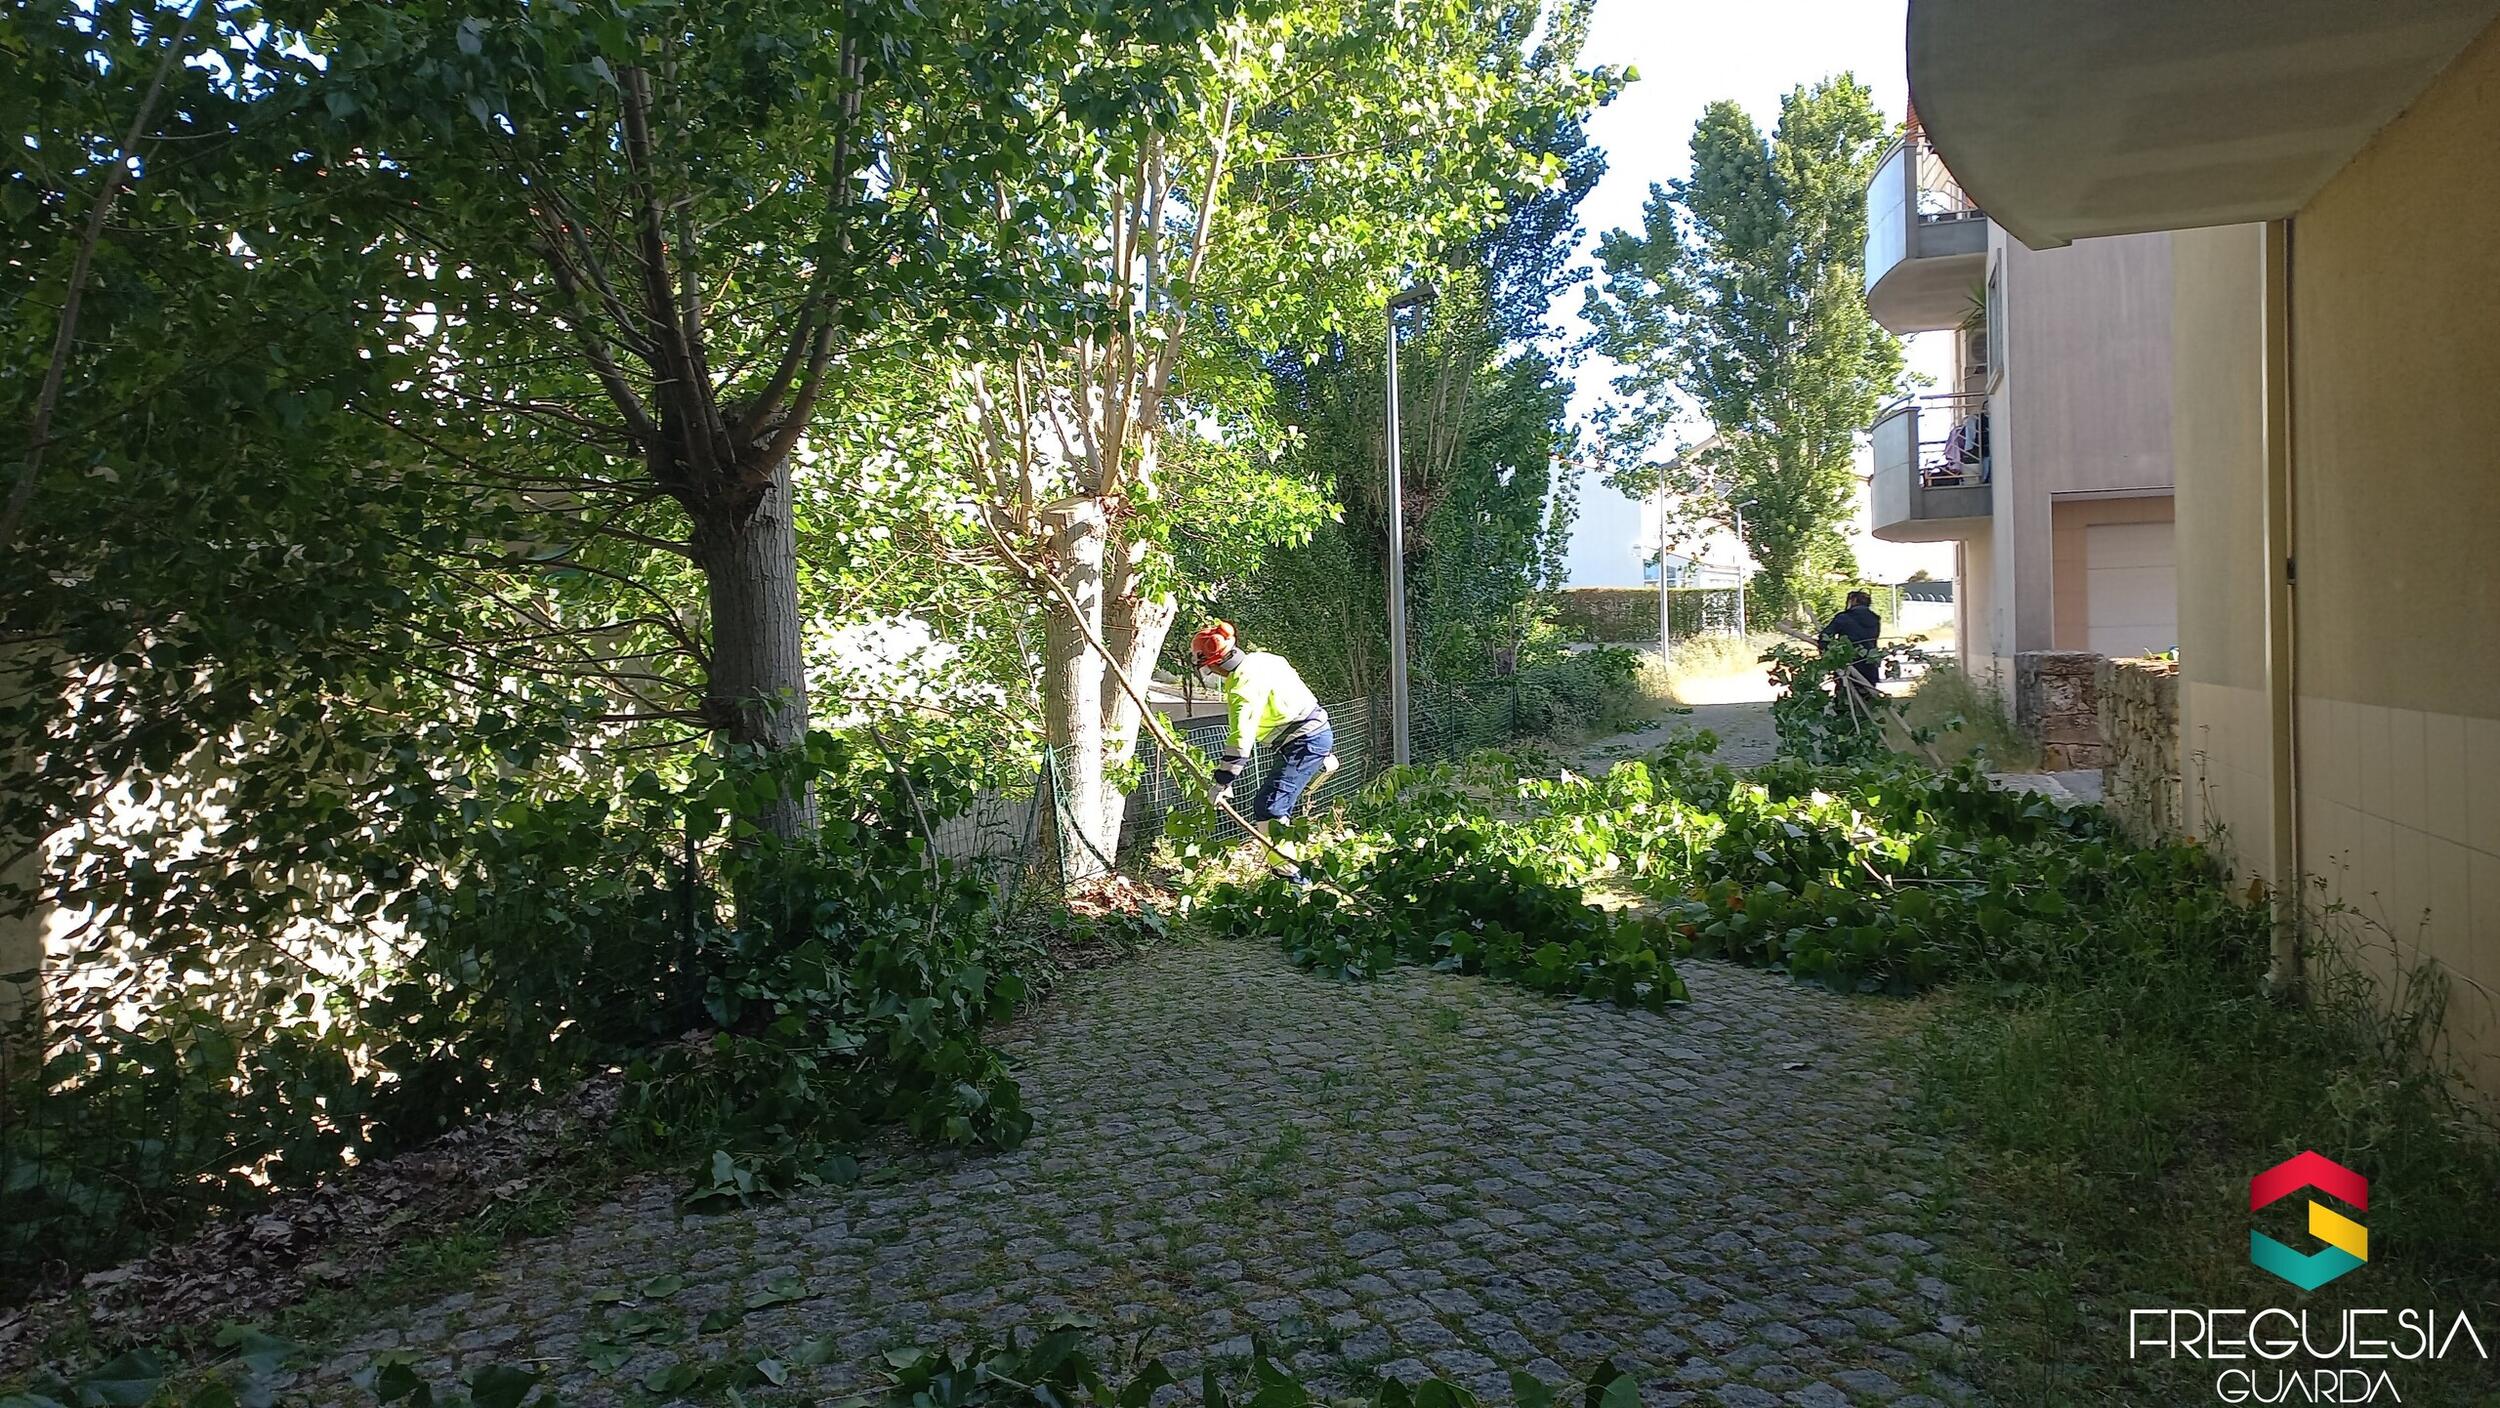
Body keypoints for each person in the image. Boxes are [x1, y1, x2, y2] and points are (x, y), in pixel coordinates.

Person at [1192, 621, 1339, 833]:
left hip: (1303, 741)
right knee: (1276, 800)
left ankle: (1282, 856)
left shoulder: (1242, 686)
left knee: (1270, 808)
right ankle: (1317, 761)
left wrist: (1223, 782)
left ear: (1216, 663)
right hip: (1313, 732)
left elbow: (1241, 740)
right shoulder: (1263, 659)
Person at [1818, 590, 1884, 697]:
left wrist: (1827, 654)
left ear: (1853, 601)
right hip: (1869, 663)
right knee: (1867, 697)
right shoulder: (1875, 619)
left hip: (1848, 663)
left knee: (1845, 698)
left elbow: (1825, 637)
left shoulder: (1844, 617)